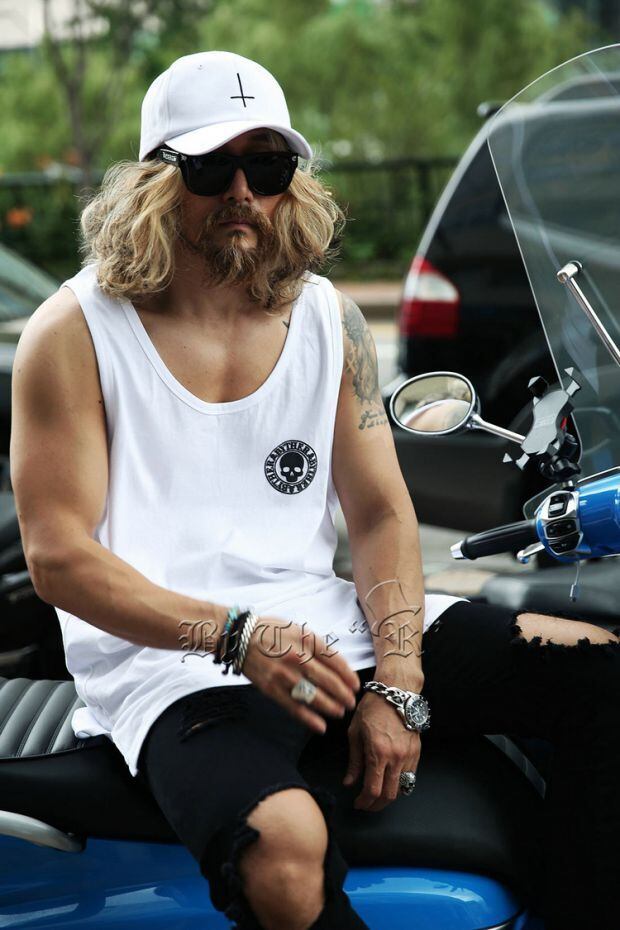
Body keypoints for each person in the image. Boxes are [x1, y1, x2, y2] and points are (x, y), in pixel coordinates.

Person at [10, 49, 620, 930]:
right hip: (171, 661)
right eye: (211, 167)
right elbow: (59, 559)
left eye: (267, 167)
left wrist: (400, 682)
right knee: (284, 853)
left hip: (325, 625)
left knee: (599, 669)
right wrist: (235, 633)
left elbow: (378, 511)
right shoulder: (75, 331)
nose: (243, 193)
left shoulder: (329, 317)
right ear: (153, 179)